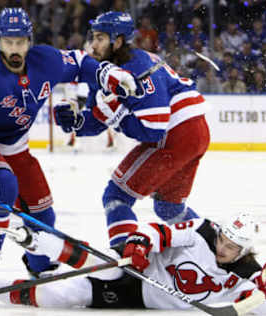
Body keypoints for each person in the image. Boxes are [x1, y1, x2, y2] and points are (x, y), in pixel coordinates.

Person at [0, 7, 143, 287]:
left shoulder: (46, 60)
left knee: (42, 212)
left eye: (20, 42)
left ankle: (40, 266)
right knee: (3, 183)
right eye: (8, 42)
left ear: (30, 41)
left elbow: (79, 62)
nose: (14, 49)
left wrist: (109, 75)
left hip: (14, 144)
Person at [54, 11, 210, 247]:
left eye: (100, 38)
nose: (92, 45)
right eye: (93, 37)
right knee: (169, 207)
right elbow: (98, 120)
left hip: (176, 133)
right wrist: (76, 121)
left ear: (117, 42)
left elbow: (154, 129)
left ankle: (125, 261)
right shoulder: (105, 71)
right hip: (193, 132)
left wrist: (117, 114)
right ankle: (213, 249)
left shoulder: (137, 65)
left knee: (116, 197)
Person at [0, 212, 266, 314]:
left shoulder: (249, 274)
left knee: (66, 297)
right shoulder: (203, 231)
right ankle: (32, 239)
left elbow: (260, 309)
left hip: (138, 299)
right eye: (223, 240)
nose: (222, 248)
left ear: (245, 250)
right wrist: (140, 245)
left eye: (231, 247)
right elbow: (157, 232)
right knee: (110, 264)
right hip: (139, 270)